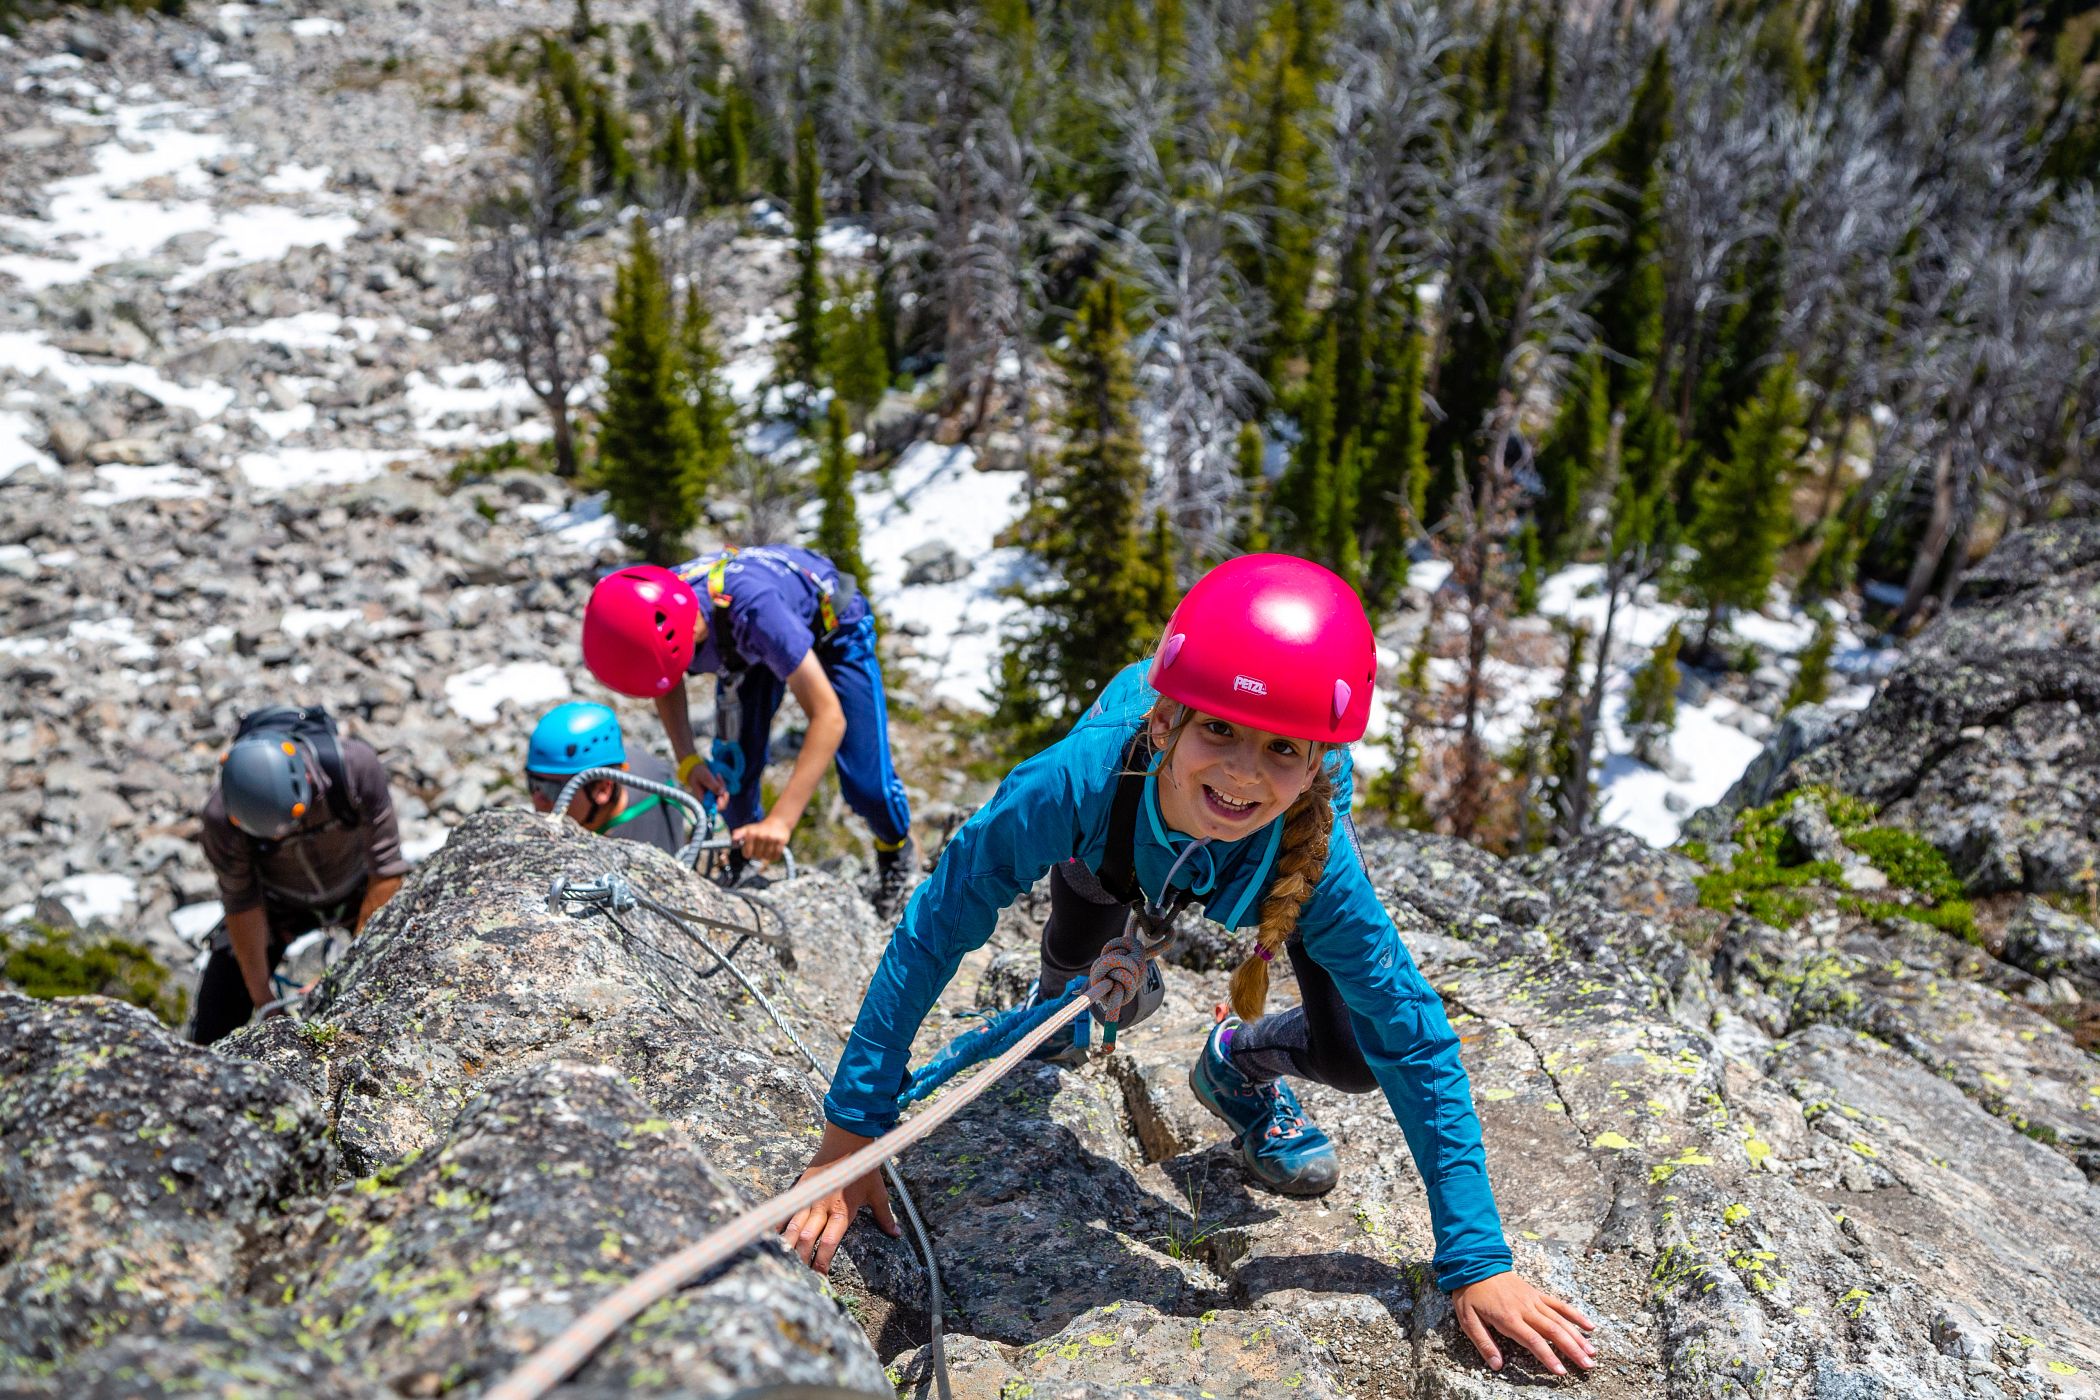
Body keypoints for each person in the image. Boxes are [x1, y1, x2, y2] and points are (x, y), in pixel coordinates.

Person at [778, 555, 1598, 1377]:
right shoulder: (1074, 784)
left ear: (1318, 765)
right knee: (1073, 945)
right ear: (1166, 720)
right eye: (1219, 730)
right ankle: (1061, 1002)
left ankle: (1236, 1065)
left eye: (1282, 748)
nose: (1243, 773)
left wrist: (1478, 1259)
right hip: (1116, 830)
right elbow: (935, 926)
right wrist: (851, 1132)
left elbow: (1413, 1040)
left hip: (1247, 851)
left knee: (1354, 1057)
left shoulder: (1311, 857)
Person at [581, 546, 916, 916]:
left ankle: (895, 854)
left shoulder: (756, 611)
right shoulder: (655, 603)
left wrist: (781, 821)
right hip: (745, 649)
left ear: (686, 635)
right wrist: (689, 761)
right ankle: (747, 854)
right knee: (733, 785)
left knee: (868, 786)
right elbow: (667, 680)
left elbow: (828, 717)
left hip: (832, 628)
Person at [193, 706, 406, 1045]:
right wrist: (265, 1003)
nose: (280, 838)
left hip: (358, 888)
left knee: (399, 970)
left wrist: (353, 970)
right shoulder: (221, 820)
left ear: (305, 779)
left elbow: (387, 869)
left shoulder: (353, 768)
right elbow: (242, 903)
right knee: (216, 1010)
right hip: (281, 903)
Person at [524, 701, 690, 857]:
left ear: (603, 788)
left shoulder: (643, 839)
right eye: (533, 783)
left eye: (552, 789)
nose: (537, 798)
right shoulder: (602, 760)